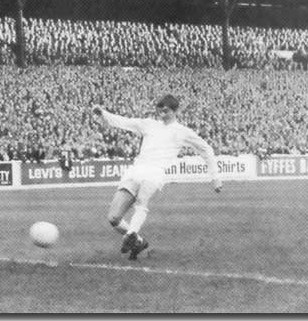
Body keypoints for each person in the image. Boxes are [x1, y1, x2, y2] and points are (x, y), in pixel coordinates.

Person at [92, 94, 223, 260]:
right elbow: (124, 121)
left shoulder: (183, 132)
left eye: (166, 110)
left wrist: (215, 177)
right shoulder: (149, 124)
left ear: (176, 111)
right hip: (136, 170)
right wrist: (103, 113)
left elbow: (206, 150)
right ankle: (138, 241)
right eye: (160, 110)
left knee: (142, 199)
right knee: (113, 218)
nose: (162, 113)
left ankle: (131, 233)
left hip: (155, 172)